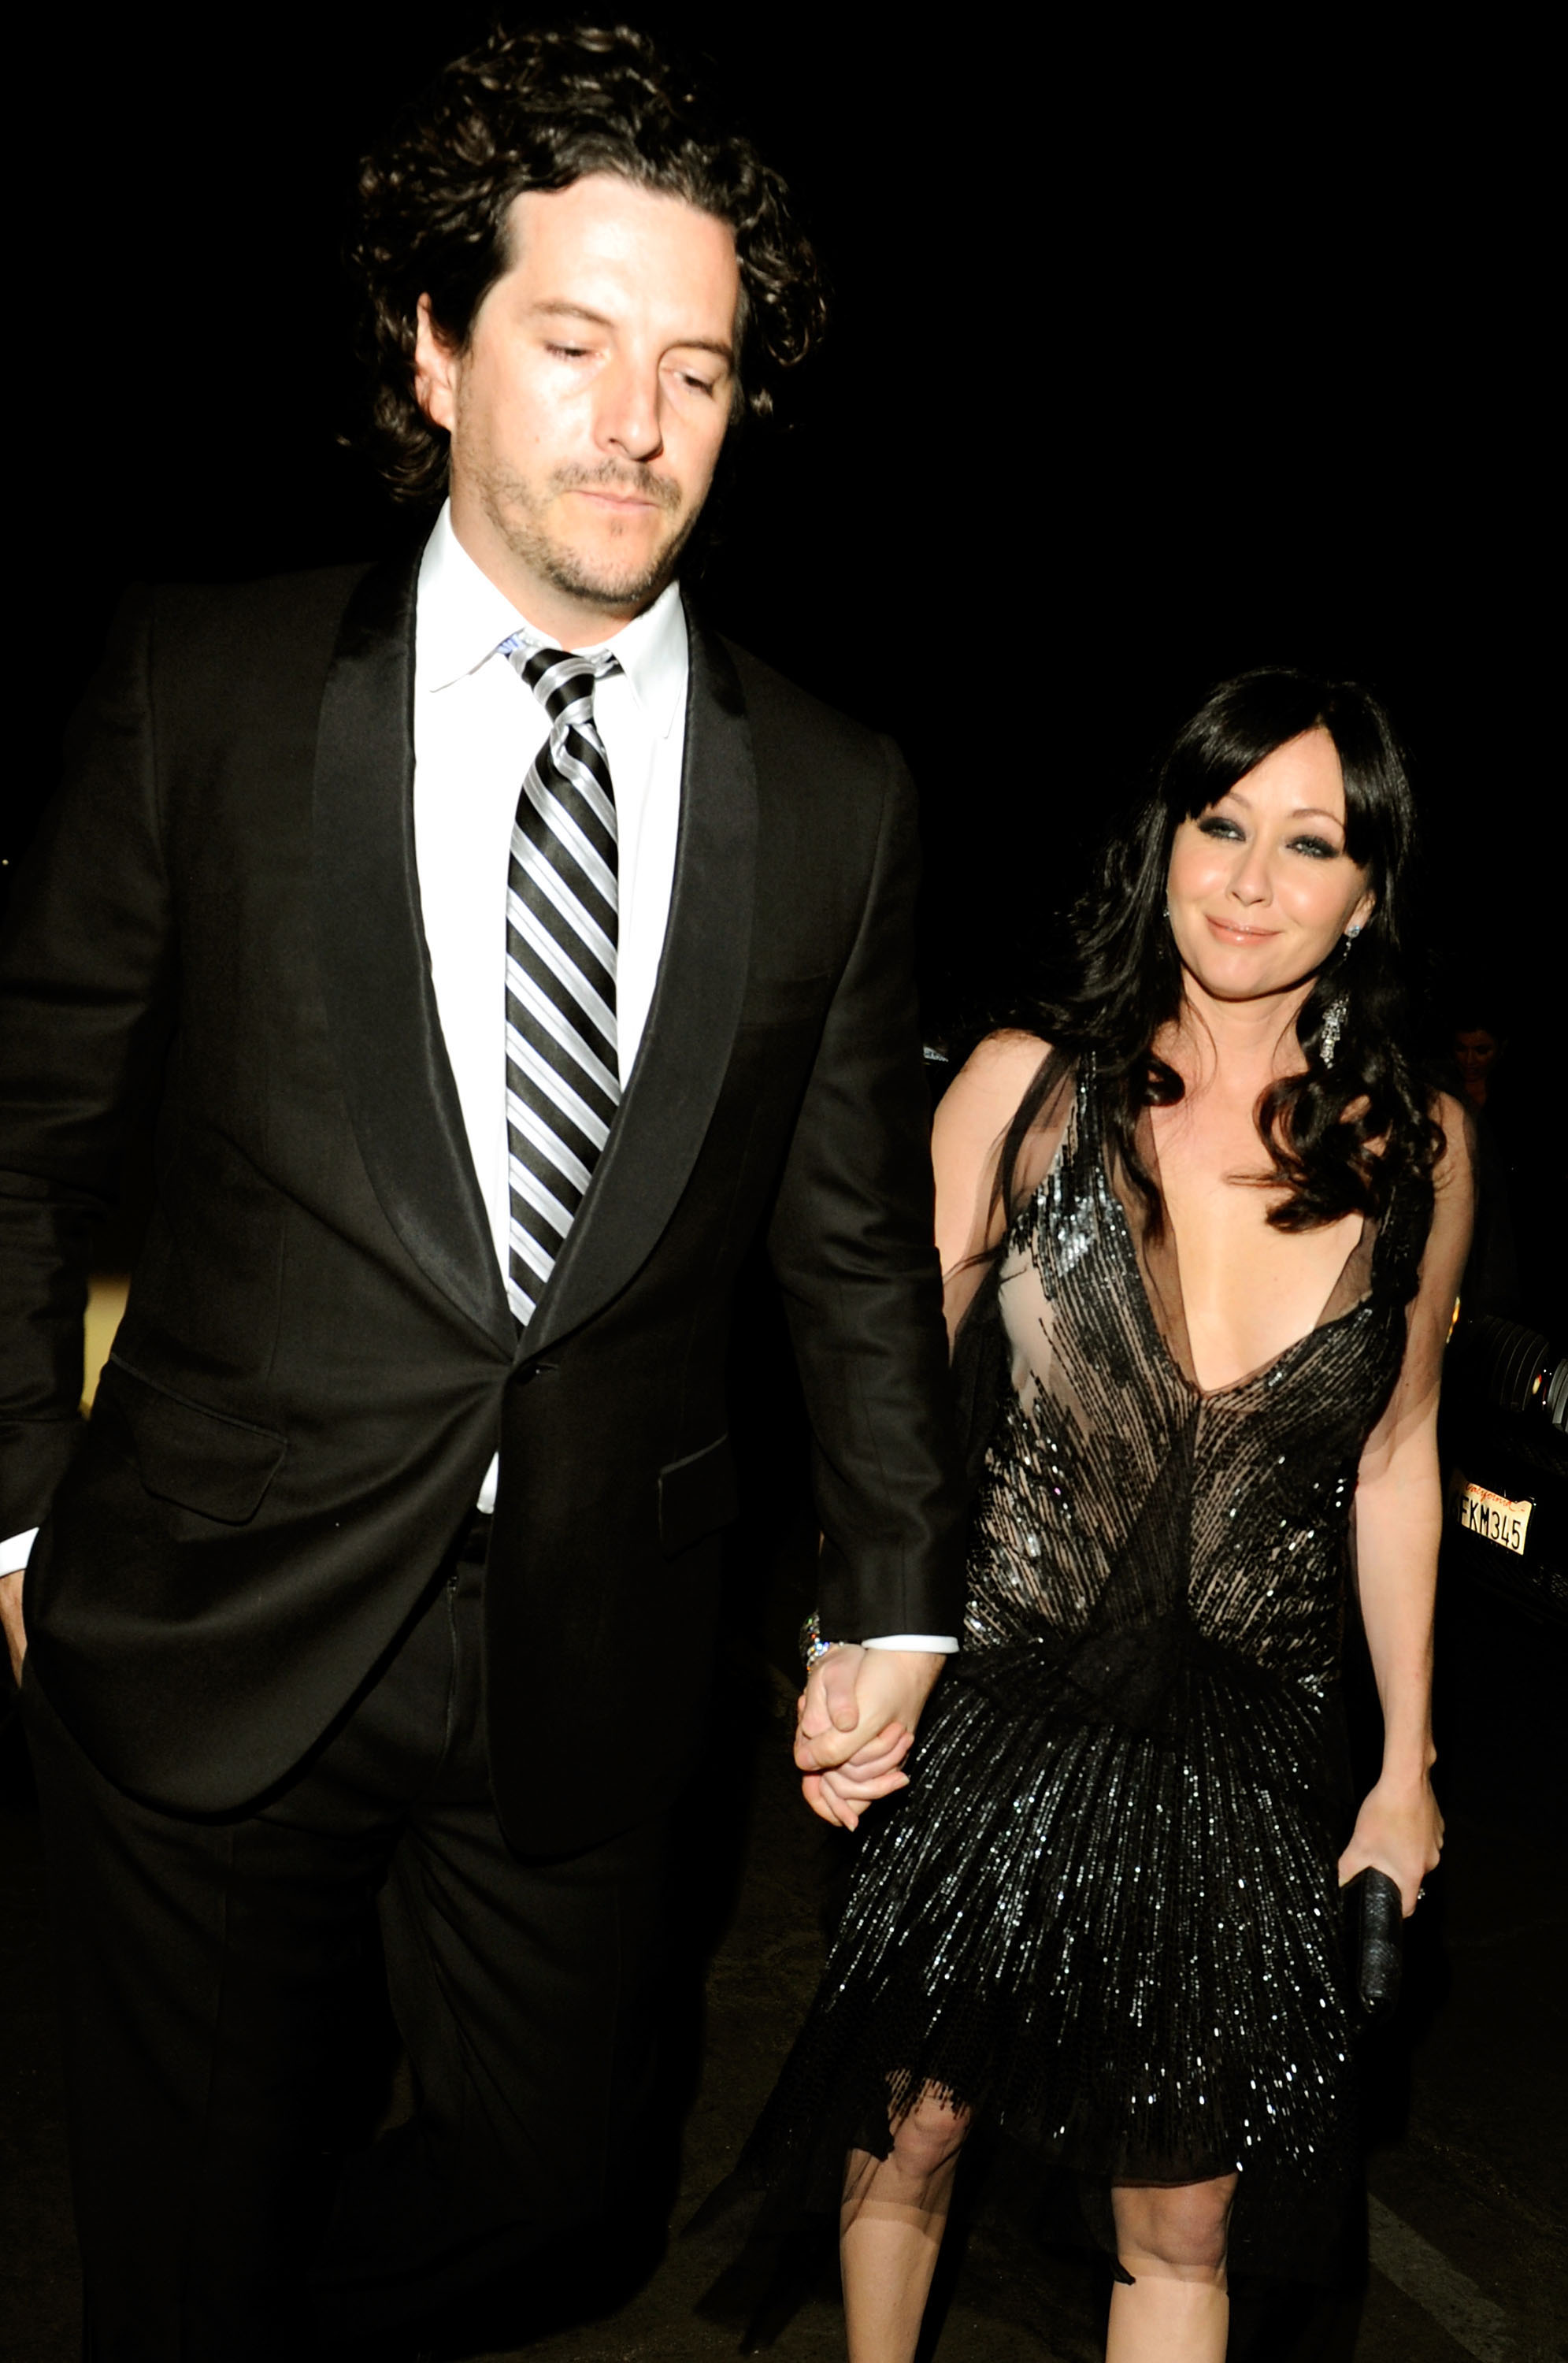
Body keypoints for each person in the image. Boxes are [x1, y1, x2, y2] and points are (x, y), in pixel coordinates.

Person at [0, 24, 964, 2357]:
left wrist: (896, 1594)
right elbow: (27, 1129)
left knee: (567, 2202)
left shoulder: (833, 797)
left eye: (699, 372)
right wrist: (19, 1516)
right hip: (216, 1615)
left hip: (588, 1662)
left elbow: (846, 1245)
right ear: (435, 356)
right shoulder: (204, 684)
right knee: (181, 2235)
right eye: (573, 342)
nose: (639, 421)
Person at [735, 670, 1472, 2362]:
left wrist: (1407, 1766)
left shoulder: (1419, 1150)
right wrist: (855, 1633)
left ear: (1369, 890)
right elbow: (886, 1401)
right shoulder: (1023, 1091)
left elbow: (1397, 1459)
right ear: (1166, 841)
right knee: (911, 2123)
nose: (1249, 878)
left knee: (1187, 2207)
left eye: (1310, 843)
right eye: (1220, 825)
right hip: (996, 1700)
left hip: (1241, 1751)